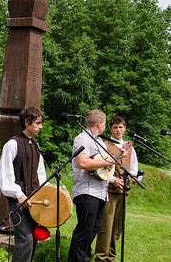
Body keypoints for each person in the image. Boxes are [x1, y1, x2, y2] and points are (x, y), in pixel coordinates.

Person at [67, 110, 127, 262]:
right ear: (100, 123)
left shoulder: (99, 141)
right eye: (105, 124)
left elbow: (103, 166)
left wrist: (116, 157)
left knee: (91, 234)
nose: (105, 127)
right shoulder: (82, 139)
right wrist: (110, 161)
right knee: (84, 233)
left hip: (100, 192)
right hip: (87, 192)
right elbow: (83, 162)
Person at [0, 106, 47, 262]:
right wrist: (19, 194)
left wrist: (46, 191)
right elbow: (4, 177)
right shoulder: (12, 145)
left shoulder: (36, 145)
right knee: (26, 239)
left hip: (34, 200)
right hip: (18, 201)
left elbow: (40, 174)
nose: (41, 127)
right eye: (38, 123)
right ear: (27, 122)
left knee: (34, 237)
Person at [94, 116, 139, 262]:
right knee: (106, 226)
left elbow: (134, 168)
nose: (118, 130)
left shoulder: (129, 146)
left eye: (121, 127)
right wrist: (114, 180)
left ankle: (111, 257)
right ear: (110, 129)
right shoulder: (105, 145)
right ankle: (101, 257)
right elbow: (100, 168)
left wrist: (133, 177)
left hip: (124, 191)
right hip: (108, 190)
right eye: (115, 127)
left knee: (117, 227)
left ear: (125, 128)